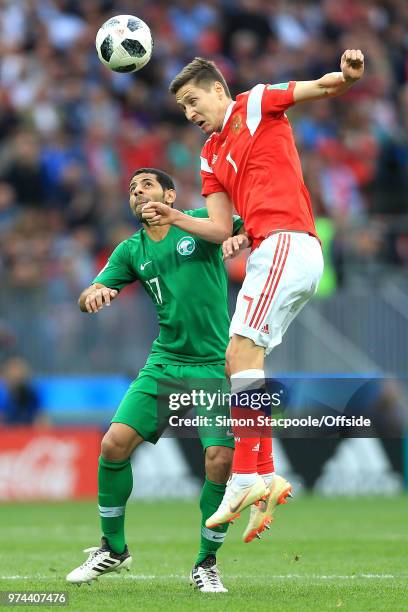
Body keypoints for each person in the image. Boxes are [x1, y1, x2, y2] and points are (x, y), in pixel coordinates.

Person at [141, 50, 365, 538]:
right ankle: (262, 472)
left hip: (288, 241)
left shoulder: (256, 103)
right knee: (245, 362)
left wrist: (346, 77)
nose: (190, 113)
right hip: (271, 252)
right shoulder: (208, 155)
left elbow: (321, 87)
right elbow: (221, 228)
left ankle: (246, 473)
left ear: (219, 91)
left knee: (238, 354)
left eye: (194, 100)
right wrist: (175, 216)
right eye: (183, 107)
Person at [66, 167, 247, 593]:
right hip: (164, 362)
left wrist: (241, 238)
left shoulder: (203, 222)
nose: (137, 192)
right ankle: (113, 547)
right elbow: (86, 294)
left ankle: (206, 562)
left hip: (211, 365)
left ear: (169, 193)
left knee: (220, 460)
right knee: (113, 443)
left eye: (145, 185)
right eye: (131, 189)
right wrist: (94, 294)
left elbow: (247, 225)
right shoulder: (131, 251)